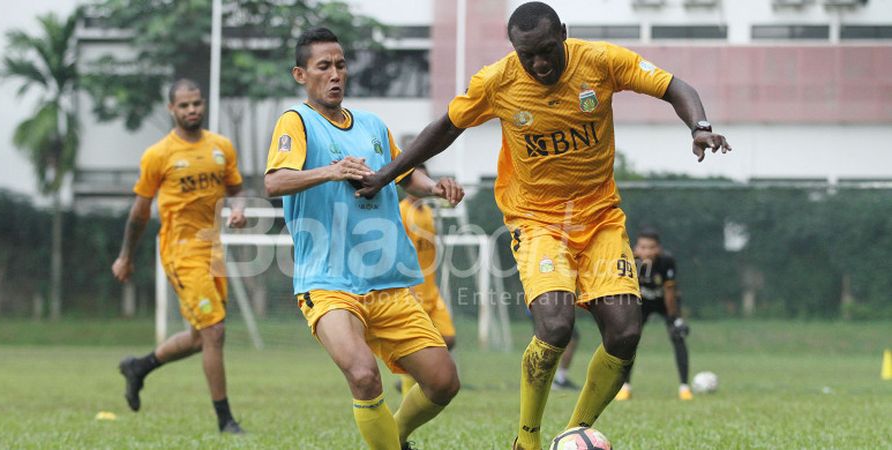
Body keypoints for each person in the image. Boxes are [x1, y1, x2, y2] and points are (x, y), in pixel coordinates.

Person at [355, 3, 731, 448]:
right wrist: (389, 173)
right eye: (527, 54)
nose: (539, 63)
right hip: (536, 220)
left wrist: (699, 125)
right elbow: (445, 128)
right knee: (554, 324)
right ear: (514, 50)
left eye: (548, 51)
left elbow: (674, 86)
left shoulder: (602, 61)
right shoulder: (497, 82)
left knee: (626, 331)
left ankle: (575, 430)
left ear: (564, 35)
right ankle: (527, 440)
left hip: (600, 218)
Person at [263, 28, 463, 450]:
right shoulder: (296, 122)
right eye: (323, 67)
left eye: (340, 65)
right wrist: (331, 170)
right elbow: (275, 182)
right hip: (328, 284)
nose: (335, 74)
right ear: (301, 74)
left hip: (387, 282)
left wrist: (435, 187)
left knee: (443, 382)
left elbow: (405, 174)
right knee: (363, 374)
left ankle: (396, 435)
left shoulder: (372, 125)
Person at [112, 78, 247, 434]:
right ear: (172, 109)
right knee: (214, 331)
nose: (192, 110)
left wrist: (238, 209)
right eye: (184, 105)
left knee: (201, 337)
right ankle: (225, 421)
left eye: (196, 103)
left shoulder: (221, 147)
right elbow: (139, 212)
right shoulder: (158, 155)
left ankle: (139, 367)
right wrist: (126, 256)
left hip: (212, 249)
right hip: (181, 252)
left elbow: (236, 189)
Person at [397, 164, 457, 395]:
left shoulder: (428, 212)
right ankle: (408, 390)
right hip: (412, 288)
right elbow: (396, 251)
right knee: (414, 345)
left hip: (431, 288)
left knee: (448, 338)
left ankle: (418, 377)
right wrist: (405, 285)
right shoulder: (401, 211)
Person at [615, 229, 692, 401]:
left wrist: (675, 319)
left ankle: (684, 388)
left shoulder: (666, 262)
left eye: (651, 247)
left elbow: (670, 292)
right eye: (643, 247)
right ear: (636, 248)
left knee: (678, 336)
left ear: (659, 249)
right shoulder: (629, 260)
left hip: (665, 302)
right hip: (642, 303)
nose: (647, 251)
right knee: (629, 340)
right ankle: (625, 387)